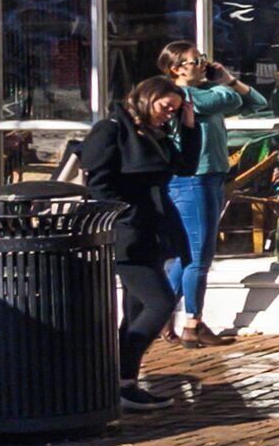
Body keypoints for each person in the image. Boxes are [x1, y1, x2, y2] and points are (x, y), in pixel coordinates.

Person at [74, 75, 196, 407]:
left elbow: (186, 166)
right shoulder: (111, 129)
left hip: (151, 231)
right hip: (125, 233)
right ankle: (118, 379)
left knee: (136, 309)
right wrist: (124, 214)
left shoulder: (154, 134)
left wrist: (188, 124)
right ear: (148, 97)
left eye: (174, 110)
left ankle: (122, 383)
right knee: (160, 303)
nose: (168, 114)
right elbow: (97, 182)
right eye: (166, 107)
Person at [156, 41, 268, 344]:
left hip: (211, 177)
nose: (203, 63)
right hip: (194, 178)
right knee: (199, 256)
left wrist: (230, 79)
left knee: (189, 254)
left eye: (203, 58)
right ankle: (193, 324)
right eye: (195, 61)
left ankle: (161, 315)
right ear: (176, 69)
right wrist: (226, 85)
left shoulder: (206, 91)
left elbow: (257, 103)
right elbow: (230, 100)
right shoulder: (183, 95)